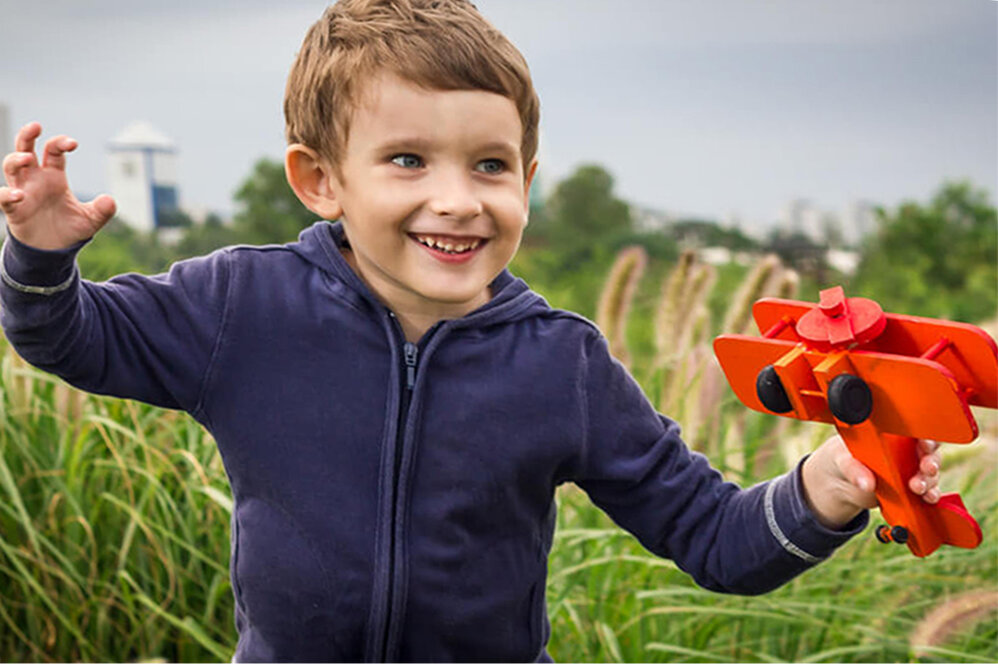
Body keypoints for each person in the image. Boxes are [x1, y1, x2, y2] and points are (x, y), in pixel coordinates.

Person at [0, 1, 943, 661]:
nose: (457, 199)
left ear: (526, 180)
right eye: (407, 159)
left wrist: (827, 487)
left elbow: (715, 540)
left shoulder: (562, 364)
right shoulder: (243, 307)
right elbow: (71, 339)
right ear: (320, 178)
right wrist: (40, 259)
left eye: (490, 165)